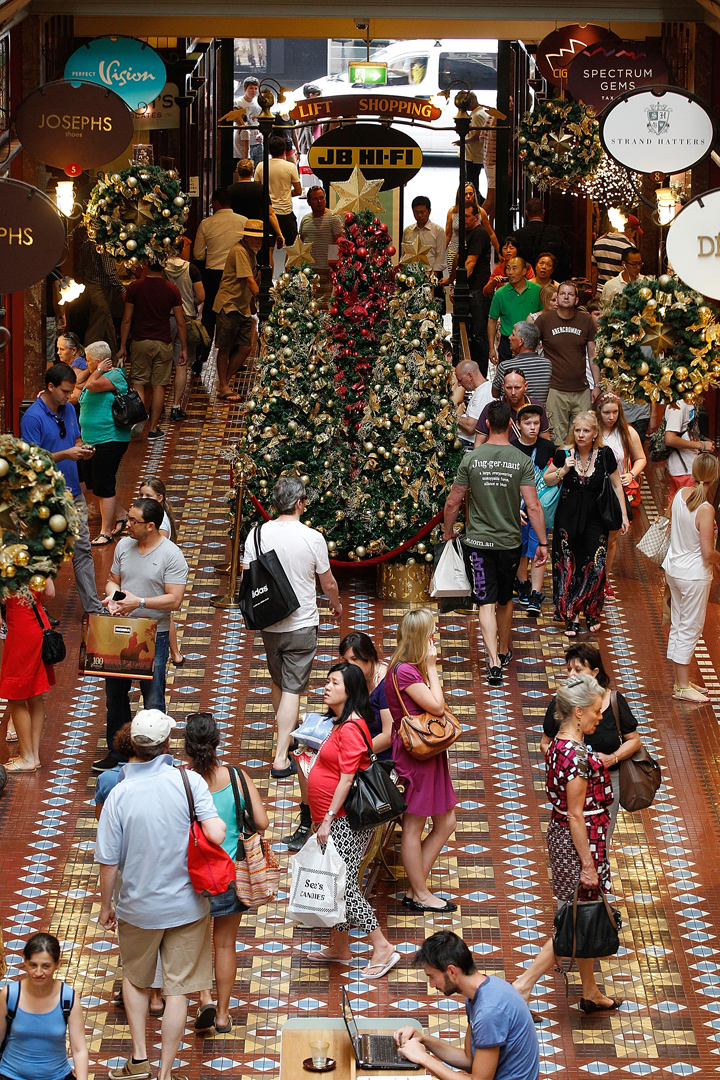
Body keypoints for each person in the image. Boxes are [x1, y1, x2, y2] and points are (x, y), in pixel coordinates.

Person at [95, 709, 226, 1080]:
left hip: (138, 908)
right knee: (178, 989)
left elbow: (108, 862)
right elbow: (215, 835)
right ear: (169, 744)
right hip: (187, 905)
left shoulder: (119, 794)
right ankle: (166, 1074)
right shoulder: (189, 783)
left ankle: (139, 1060)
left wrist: (107, 906)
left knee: (136, 980)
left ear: (133, 744)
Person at [513, 674, 622, 1015]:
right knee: (572, 920)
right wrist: (588, 865)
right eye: (594, 711)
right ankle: (523, 986)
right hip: (580, 842)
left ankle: (589, 989)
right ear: (577, 712)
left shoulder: (558, 744)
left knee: (581, 913)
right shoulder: (575, 757)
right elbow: (576, 815)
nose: (599, 717)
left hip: (566, 838)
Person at [242, 476, 341, 778]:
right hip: (302, 622)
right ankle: (281, 757)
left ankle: (287, 732)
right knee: (293, 687)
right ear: (300, 503)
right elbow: (327, 582)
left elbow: (248, 576)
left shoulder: (256, 534)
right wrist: (335, 604)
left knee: (279, 682)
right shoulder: (312, 538)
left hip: (269, 622)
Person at [306, 662, 400, 978]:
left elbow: (346, 779)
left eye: (334, 682)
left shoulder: (351, 727)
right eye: (327, 681)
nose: (326, 686)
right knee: (337, 882)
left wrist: (328, 819)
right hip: (332, 818)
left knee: (345, 887)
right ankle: (340, 945)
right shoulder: (340, 722)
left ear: (349, 690)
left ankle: (382, 946)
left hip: (343, 820)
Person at [444, 401, 547, 685]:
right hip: (509, 544)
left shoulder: (472, 459)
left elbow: (453, 501)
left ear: (487, 424)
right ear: (511, 425)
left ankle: (492, 662)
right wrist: (542, 542)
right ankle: (503, 649)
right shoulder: (520, 460)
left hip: (477, 544)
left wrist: (448, 531)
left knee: (485, 604)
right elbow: (533, 505)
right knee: (506, 598)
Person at [184, 711, 268, 1033]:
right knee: (225, 945)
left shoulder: (183, 781)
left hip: (195, 880)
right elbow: (261, 823)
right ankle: (221, 1014)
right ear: (217, 741)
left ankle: (203, 996)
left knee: (197, 942)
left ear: (187, 747)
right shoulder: (236, 776)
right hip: (233, 877)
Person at [93, 498, 188, 773]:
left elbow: (175, 600)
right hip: (121, 633)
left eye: (133, 522)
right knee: (115, 695)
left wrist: (140, 603)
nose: (127, 525)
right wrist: (114, 595)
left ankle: (156, 758)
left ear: (151, 525)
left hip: (153, 635)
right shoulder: (124, 546)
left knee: (154, 697)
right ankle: (118, 753)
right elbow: (113, 579)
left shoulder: (171, 555)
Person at [383, 609, 458, 912]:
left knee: (446, 821)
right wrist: (432, 667)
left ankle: (418, 888)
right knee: (414, 826)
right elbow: (438, 707)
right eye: (430, 633)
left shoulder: (404, 669)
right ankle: (420, 893)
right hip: (418, 756)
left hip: (428, 753)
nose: (433, 639)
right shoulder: (405, 672)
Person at [394, 931, 539, 1080]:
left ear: (451, 971)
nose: (431, 984)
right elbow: (469, 1059)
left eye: (432, 976)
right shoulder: (483, 991)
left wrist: (423, 1058)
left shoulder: (489, 1012)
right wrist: (423, 1039)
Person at [20, 362, 104, 618]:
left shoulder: (68, 410)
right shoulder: (32, 418)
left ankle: (93, 608)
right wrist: (66, 453)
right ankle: (37, 610)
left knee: (83, 549)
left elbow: (76, 440)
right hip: (45, 497)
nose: (69, 397)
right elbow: (32, 463)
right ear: (50, 386)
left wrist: (82, 450)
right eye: (65, 391)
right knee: (44, 553)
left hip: (72, 493)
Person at [541, 643, 641, 841]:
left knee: (601, 838)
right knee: (575, 832)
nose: (571, 675)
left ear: (595, 672)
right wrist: (569, 764)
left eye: (578, 670)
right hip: (572, 782)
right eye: (569, 669)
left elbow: (634, 740)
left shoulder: (614, 701)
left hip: (608, 780)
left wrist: (613, 758)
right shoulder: (561, 703)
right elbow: (546, 743)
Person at [543, 411, 629, 637]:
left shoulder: (605, 454)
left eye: (586, 431)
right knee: (568, 563)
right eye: (578, 430)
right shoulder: (564, 453)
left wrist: (623, 516)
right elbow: (547, 479)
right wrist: (564, 470)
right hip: (568, 517)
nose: (581, 435)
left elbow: (617, 485)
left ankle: (591, 610)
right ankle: (571, 614)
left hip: (595, 517)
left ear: (595, 433)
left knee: (595, 564)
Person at [663, 453, 720, 703]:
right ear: (714, 477)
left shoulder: (679, 496)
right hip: (694, 575)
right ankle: (683, 687)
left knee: (678, 625)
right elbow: (708, 553)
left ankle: (680, 682)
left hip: (673, 570)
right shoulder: (705, 508)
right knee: (690, 629)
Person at [0, 931, 89, 1080]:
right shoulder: (10, 995)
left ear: (57, 965)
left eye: (46, 966)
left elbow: (79, 1050)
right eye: (33, 965)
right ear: (24, 962)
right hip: (10, 1075)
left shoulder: (67, 998)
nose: (38, 973)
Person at [118, 259, 187, 441]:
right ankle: (154, 428)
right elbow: (180, 322)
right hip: (163, 342)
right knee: (159, 386)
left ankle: (138, 420)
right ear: (163, 266)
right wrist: (184, 348)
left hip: (140, 340)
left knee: (139, 383)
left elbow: (126, 319)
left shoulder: (135, 287)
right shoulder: (171, 289)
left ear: (147, 264)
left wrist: (122, 346)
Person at [77, 341, 131, 547]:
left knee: (104, 484)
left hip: (110, 438)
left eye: (89, 360)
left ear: (99, 362)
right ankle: (121, 514)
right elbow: (78, 380)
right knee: (94, 483)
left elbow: (90, 385)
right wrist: (94, 368)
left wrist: (99, 369)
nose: (86, 364)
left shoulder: (114, 376)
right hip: (92, 440)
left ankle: (105, 532)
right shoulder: (95, 374)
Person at [0, 577, 55, 775]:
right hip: (38, 623)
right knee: (35, 695)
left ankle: (27, 757)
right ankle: (33, 755)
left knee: (15, 696)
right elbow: (50, 593)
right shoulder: (41, 554)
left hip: (20, 630)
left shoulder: (8, 557)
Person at [535, 281, 601, 445]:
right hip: (555, 388)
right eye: (562, 294)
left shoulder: (585, 321)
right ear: (556, 299)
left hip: (582, 389)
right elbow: (530, 347)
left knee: (584, 437)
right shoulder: (544, 320)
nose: (566, 297)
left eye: (570, 294)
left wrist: (597, 385)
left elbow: (593, 354)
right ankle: (561, 470)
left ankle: (582, 470)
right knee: (558, 440)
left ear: (577, 300)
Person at [594, 392, 647, 579]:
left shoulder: (627, 432)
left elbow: (641, 458)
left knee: (611, 538)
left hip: (616, 492)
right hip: (594, 490)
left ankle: (604, 578)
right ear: (598, 412)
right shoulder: (592, 431)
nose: (611, 417)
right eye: (607, 412)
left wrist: (632, 474)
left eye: (615, 412)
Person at [511, 403, 556, 617]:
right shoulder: (511, 449)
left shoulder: (548, 448)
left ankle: (536, 593)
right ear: (518, 425)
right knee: (520, 551)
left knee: (539, 549)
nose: (533, 427)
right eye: (527, 423)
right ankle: (523, 584)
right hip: (518, 511)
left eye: (536, 423)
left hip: (539, 510)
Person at [212, 219, 263, 402]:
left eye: (260, 239)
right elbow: (249, 281)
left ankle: (224, 383)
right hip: (229, 305)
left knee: (246, 347)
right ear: (246, 237)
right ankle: (224, 386)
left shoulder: (251, 253)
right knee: (225, 347)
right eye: (255, 238)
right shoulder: (240, 251)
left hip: (241, 307)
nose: (258, 242)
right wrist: (261, 298)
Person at [138, 477, 184, 667]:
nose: (143, 498)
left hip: (158, 576)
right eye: (141, 495)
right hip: (160, 576)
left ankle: (174, 654)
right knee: (165, 616)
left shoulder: (160, 524)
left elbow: (159, 551)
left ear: (159, 498)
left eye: (148, 495)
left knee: (163, 617)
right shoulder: (158, 516)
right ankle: (176, 654)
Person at [192, 189, 247, 344]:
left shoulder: (206, 223)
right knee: (235, 313)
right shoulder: (243, 221)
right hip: (237, 273)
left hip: (213, 274)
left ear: (216, 202)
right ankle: (232, 353)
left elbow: (198, 254)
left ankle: (203, 351)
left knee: (209, 313)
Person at [72, 222, 124, 357]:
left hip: (90, 287)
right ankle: (87, 361)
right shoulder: (104, 244)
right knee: (96, 329)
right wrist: (122, 290)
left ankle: (113, 359)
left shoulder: (86, 243)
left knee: (107, 326)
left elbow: (81, 268)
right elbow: (109, 271)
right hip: (100, 289)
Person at [164, 250, 205, 417]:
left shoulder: (161, 268)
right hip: (186, 317)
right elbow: (201, 295)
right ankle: (175, 406)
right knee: (181, 364)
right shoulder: (192, 269)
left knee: (163, 364)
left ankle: (157, 405)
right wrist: (190, 304)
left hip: (164, 318)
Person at [340, 631, 392, 758]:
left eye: (354, 659)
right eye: (346, 661)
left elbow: (388, 736)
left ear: (369, 656)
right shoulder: (357, 678)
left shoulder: (385, 685)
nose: (349, 665)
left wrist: (355, 753)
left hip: (379, 757)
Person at [487, 257, 542, 366]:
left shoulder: (537, 290)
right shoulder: (500, 293)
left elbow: (543, 315)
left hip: (531, 344)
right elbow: (492, 321)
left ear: (524, 271)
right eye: (508, 268)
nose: (510, 272)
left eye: (514, 268)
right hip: (508, 343)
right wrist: (491, 348)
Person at [475, 368, 550, 445]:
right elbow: (478, 443)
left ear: (526, 386)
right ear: (503, 387)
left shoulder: (536, 407)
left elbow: (546, 441)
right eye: (509, 388)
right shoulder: (491, 408)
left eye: (517, 388)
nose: (513, 392)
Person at [225, 160, 285, 250]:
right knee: (264, 258)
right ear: (252, 172)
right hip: (258, 230)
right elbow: (270, 213)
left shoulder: (229, 190)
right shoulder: (260, 189)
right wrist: (279, 233)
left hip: (236, 230)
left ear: (237, 172)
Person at [299, 186, 343, 308]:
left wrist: (333, 266)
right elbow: (300, 244)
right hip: (308, 271)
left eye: (321, 198)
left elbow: (338, 243)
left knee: (323, 306)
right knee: (309, 306)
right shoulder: (305, 220)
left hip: (326, 270)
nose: (319, 201)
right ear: (308, 202)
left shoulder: (333, 218)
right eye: (315, 199)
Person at [444, 184, 498, 279]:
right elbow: (448, 235)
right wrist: (440, 254)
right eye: (465, 194)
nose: (468, 197)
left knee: (472, 277)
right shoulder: (452, 212)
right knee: (454, 281)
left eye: (470, 193)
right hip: (454, 251)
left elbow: (491, 233)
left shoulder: (480, 212)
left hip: (473, 250)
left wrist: (499, 251)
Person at [255, 136, 302, 246]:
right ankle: (288, 264)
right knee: (292, 248)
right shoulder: (290, 167)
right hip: (285, 212)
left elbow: (258, 190)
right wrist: (285, 193)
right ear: (284, 150)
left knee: (269, 248)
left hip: (267, 213)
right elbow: (299, 191)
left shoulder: (261, 166)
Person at [492, 322, 551, 407]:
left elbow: (495, 393)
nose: (509, 337)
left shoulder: (506, 366)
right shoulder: (547, 365)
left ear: (521, 341)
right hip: (538, 414)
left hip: (511, 415)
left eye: (513, 334)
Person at [664, 398, 715, 498]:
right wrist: (701, 445)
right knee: (690, 505)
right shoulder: (678, 406)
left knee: (676, 504)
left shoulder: (687, 403)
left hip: (687, 467)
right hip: (684, 468)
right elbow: (670, 439)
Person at [514, 197, 571, 283]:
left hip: (523, 282)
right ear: (543, 212)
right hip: (551, 282)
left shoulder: (517, 235)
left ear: (526, 213)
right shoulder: (555, 232)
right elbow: (565, 258)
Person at [453, 360, 494, 451]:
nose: (459, 384)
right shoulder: (481, 390)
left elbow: (470, 426)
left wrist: (450, 414)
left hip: (468, 444)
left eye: (460, 380)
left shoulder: (484, 392)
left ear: (470, 376)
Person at [401, 196, 446, 274]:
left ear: (429, 211)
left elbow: (440, 256)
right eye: (416, 212)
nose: (419, 215)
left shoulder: (438, 231)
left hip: (431, 274)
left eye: (422, 212)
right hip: (411, 275)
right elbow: (404, 255)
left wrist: (433, 276)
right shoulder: (407, 231)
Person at [591, 218, 634, 295]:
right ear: (629, 230)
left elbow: (594, 272)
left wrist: (594, 293)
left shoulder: (598, 243)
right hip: (620, 293)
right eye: (634, 232)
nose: (633, 236)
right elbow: (632, 274)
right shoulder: (629, 247)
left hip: (601, 291)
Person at [234, 75, 263, 162]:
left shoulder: (259, 103)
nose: (253, 91)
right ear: (245, 89)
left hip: (257, 142)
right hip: (242, 143)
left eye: (255, 88)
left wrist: (261, 134)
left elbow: (261, 121)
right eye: (251, 88)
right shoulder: (238, 102)